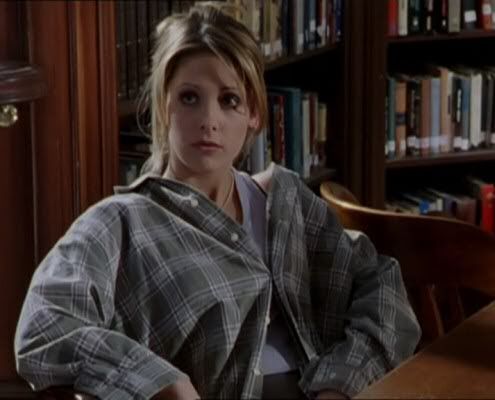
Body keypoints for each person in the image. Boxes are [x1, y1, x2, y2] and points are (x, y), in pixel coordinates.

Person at [14, 4, 421, 400]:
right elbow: (44, 327)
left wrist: (341, 384)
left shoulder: (284, 203)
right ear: (163, 107)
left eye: (229, 100)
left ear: (254, 114)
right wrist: (163, 383)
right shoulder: (119, 223)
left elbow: (381, 285)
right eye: (190, 98)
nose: (209, 120)